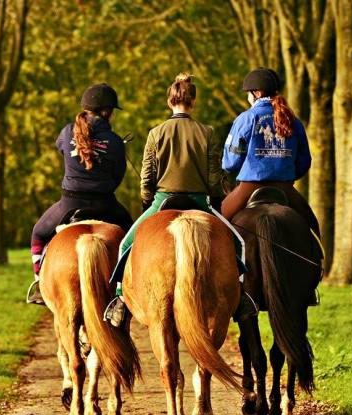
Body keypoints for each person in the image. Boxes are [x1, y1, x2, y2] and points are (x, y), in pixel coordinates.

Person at [103, 73, 256, 326]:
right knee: (238, 243)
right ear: (193, 102)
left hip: (163, 200)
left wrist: (146, 201)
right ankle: (239, 299)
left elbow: (147, 176)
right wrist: (216, 200)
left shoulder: (156, 133)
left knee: (125, 246)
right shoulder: (207, 132)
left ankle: (120, 300)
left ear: (169, 102)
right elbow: (214, 175)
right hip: (199, 201)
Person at [26, 83, 133, 305]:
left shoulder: (67, 132)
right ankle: (127, 288)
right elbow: (118, 176)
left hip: (69, 203)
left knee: (38, 233)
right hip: (106, 204)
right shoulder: (114, 142)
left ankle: (39, 283)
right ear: (107, 112)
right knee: (134, 237)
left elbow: (61, 148)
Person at [221, 67, 320, 236]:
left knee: (217, 225)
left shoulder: (246, 118)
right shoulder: (293, 121)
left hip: (249, 188)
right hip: (285, 188)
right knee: (313, 229)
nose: (247, 97)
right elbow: (304, 161)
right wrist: (285, 173)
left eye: (248, 93)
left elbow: (230, 162)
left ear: (257, 93)